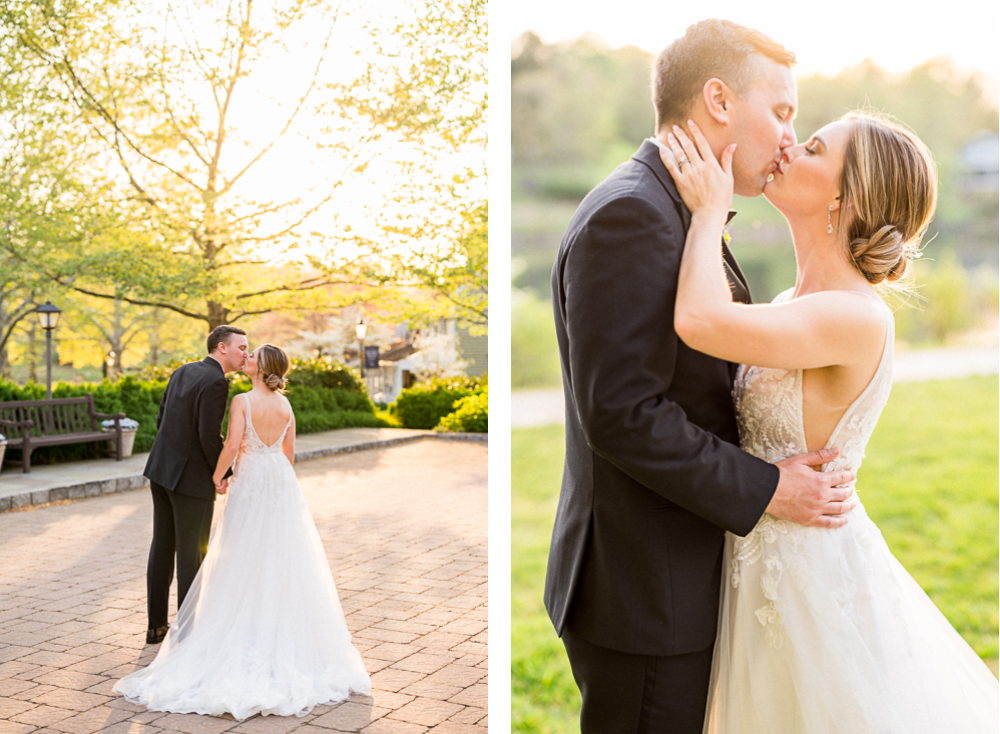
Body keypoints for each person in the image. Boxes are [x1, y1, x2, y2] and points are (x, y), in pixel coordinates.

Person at [545, 20, 858, 733]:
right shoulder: (633, 213)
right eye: (781, 111)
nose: (788, 136)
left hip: (671, 582)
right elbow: (625, 413)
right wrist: (771, 487)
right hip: (645, 597)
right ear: (718, 100)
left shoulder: (674, 205)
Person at [659, 110, 998, 732]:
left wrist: (709, 212)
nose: (789, 144)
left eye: (813, 147)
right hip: (751, 560)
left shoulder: (857, 317)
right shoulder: (792, 304)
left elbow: (702, 322)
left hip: (808, 582)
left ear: (845, 195)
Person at [115, 344, 371, 720]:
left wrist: (219, 476)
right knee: (279, 553)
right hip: (279, 482)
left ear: (260, 367)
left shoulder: (242, 400)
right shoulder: (286, 405)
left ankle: (209, 627)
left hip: (249, 479)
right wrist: (276, 479)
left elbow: (233, 445)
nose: (246, 359)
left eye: (252, 357)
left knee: (240, 550)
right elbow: (289, 453)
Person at [142, 325, 248, 645]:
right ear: (221, 348)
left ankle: (156, 627)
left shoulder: (183, 370)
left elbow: (162, 419)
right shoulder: (217, 381)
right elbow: (207, 435)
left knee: (162, 547)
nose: (246, 353)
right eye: (241, 347)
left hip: (160, 471)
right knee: (192, 555)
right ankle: (187, 634)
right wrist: (223, 474)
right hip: (189, 480)